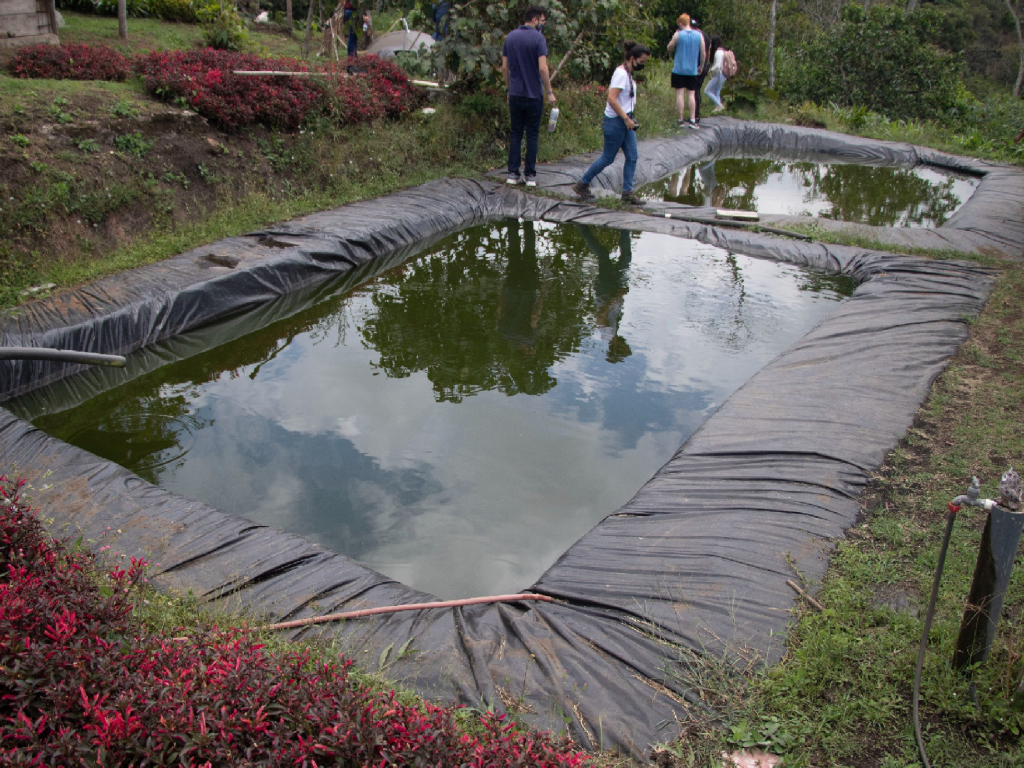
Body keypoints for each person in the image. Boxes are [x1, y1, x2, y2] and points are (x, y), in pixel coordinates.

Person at [571, 41, 652, 207]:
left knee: (632, 156)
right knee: (608, 158)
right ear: (632, 58)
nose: (642, 65)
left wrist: (629, 118)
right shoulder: (621, 74)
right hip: (616, 122)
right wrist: (625, 118)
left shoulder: (627, 73)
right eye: (641, 62)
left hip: (625, 120)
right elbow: (611, 99)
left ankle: (627, 193)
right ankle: (582, 184)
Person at [502, 6, 556, 187]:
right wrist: (549, 92)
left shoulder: (510, 38)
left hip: (516, 94)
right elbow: (543, 67)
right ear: (534, 20)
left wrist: (508, 89)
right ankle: (530, 175)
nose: (542, 24)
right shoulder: (539, 39)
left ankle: (512, 174)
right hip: (534, 95)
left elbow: (504, 67)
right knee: (532, 134)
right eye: (542, 20)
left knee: (516, 133)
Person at [667, 13, 705, 129]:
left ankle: (680, 120)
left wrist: (674, 40)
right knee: (691, 94)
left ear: (680, 23)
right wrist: (701, 65)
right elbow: (703, 53)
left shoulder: (678, 34)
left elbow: (669, 47)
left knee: (679, 94)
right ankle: (693, 120)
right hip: (692, 70)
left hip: (679, 69)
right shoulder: (699, 35)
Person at [690, 18, 711, 124]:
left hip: (697, 65)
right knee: (697, 89)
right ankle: (696, 114)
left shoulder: (694, 36)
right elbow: (709, 51)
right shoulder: (706, 36)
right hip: (704, 64)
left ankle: (695, 115)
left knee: (694, 90)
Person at [703, 34, 727, 113]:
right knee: (716, 92)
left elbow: (717, 65)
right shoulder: (722, 51)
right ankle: (718, 108)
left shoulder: (718, 52)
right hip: (722, 74)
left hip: (719, 74)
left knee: (707, 91)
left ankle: (720, 105)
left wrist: (710, 70)